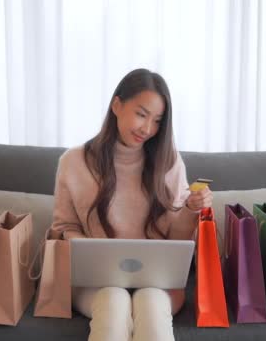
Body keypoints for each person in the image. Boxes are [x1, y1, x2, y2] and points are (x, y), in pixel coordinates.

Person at [49, 68, 213, 341]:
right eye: (141, 114)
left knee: (151, 302)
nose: (147, 129)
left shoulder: (168, 162)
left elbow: (178, 240)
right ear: (116, 105)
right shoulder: (73, 162)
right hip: (95, 283)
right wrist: (93, 255)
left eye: (157, 120)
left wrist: (191, 209)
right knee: (113, 300)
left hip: (158, 284)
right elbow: (63, 227)